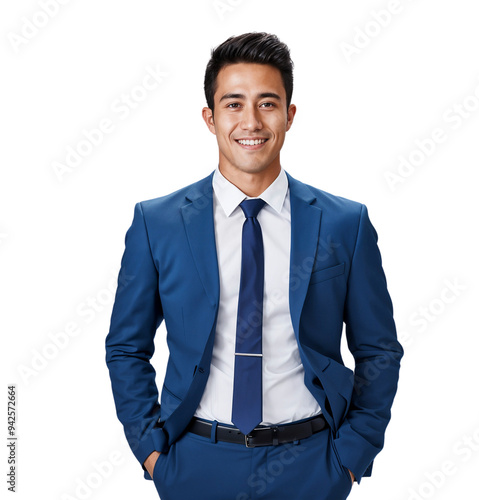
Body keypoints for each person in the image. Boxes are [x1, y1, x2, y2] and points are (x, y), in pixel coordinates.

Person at [105, 32, 403, 500]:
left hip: (311, 464)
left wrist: (350, 457)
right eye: (233, 104)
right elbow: (126, 347)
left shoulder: (346, 224)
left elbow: (379, 350)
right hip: (195, 462)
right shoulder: (156, 223)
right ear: (210, 117)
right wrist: (153, 454)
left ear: (290, 114)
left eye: (267, 103)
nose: (251, 121)